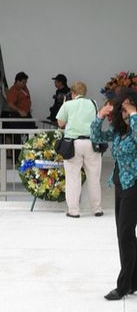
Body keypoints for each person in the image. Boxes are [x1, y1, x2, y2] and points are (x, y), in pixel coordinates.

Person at [91, 88, 137, 300]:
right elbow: (96, 136)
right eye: (123, 106)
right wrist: (99, 116)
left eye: (129, 105)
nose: (125, 109)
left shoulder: (135, 128)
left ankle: (124, 285)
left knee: (125, 235)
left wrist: (134, 114)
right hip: (121, 185)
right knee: (124, 235)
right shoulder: (120, 131)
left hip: (134, 187)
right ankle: (133, 281)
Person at [56, 81, 103, 218]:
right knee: (94, 178)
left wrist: (66, 103)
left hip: (73, 144)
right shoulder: (93, 103)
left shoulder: (68, 104)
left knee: (73, 178)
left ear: (72, 93)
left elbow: (60, 123)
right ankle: (97, 208)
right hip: (91, 143)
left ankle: (74, 210)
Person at [7, 72, 35, 161]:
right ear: (17, 81)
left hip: (27, 116)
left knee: (29, 136)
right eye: (23, 82)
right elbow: (10, 104)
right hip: (17, 117)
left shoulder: (24, 88)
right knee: (17, 138)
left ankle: (29, 157)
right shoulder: (13, 90)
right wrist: (20, 111)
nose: (25, 84)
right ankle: (17, 159)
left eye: (25, 82)